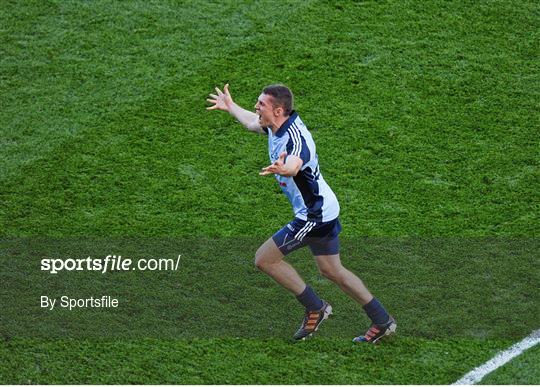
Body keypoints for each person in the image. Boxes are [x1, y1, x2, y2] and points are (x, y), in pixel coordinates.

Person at [206, 83, 396, 343]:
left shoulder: (296, 140)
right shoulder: (275, 125)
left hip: (313, 217)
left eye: (261, 104)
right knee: (333, 271)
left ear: (279, 110)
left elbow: (295, 165)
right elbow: (252, 122)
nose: (256, 107)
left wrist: (282, 169)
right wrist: (230, 107)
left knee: (264, 259)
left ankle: (316, 307)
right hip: (324, 208)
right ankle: (382, 320)